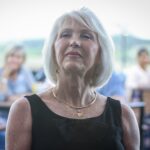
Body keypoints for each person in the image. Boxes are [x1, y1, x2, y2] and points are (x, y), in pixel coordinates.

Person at [6, 8, 140, 150]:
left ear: (101, 52)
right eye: (65, 34)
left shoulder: (123, 114)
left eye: (86, 36)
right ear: (53, 49)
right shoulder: (24, 110)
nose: (74, 42)